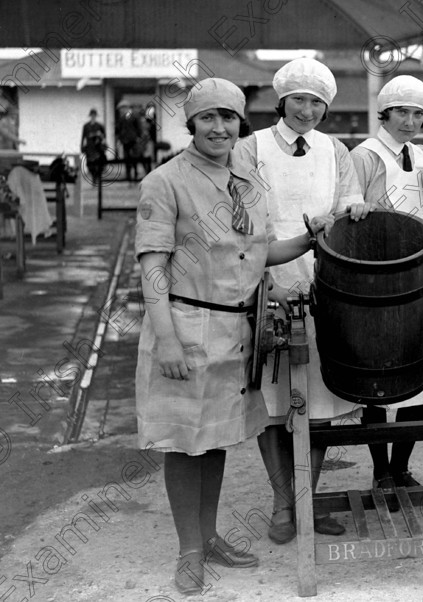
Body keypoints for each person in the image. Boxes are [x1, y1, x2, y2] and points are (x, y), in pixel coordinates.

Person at [134, 77, 332, 594]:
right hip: (186, 325)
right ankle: (189, 551)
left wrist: (313, 237)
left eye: (228, 118)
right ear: (191, 123)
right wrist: (169, 341)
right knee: (184, 444)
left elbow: (260, 252)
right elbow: (152, 269)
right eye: (207, 118)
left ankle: (210, 535)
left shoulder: (247, 181)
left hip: (236, 329)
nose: (219, 127)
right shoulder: (165, 182)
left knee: (216, 438)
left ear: (240, 124)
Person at [234, 57, 365, 545]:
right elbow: (241, 220)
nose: (307, 110)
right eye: (299, 100)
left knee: (319, 399)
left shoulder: (336, 151)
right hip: (265, 284)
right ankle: (282, 503)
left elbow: (351, 201)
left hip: (324, 287)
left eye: (317, 102)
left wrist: (354, 206)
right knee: (273, 403)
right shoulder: (251, 149)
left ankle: (307, 497)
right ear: (281, 101)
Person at [349, 75, 423, 498]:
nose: (410, 120)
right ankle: (380, 470)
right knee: (376, 376)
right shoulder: (363, 155)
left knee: (419, 371)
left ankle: (401, 467)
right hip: (373, 277)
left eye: (418, 113)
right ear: (384, 113)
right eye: (401, 111)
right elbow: (347, 207)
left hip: (417, 277)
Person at [81, 108, 106, 184]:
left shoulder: (99, 126)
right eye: (92, 115)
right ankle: (94, 178)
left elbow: (104, 136)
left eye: (94, 115)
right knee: (90, 164)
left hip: (97, 147)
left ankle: (97, 178)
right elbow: (83, 137)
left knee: (98, 164)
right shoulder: (86, 126)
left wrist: (99, 136)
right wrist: (82, 146)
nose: (93, 117)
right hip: (89, 147)